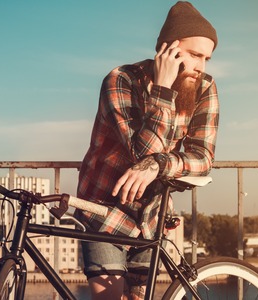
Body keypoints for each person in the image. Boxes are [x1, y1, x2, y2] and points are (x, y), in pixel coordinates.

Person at [75, 2, 219, 299]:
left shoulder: (204, 87)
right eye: (194, 55)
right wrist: (163, 90)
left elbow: (203, 158)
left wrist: (157, 166)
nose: (201, 67)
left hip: (151, 218)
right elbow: (140, 153)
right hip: (104, 212)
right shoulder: (120, 81)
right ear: (168, 50)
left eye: (206, 58)